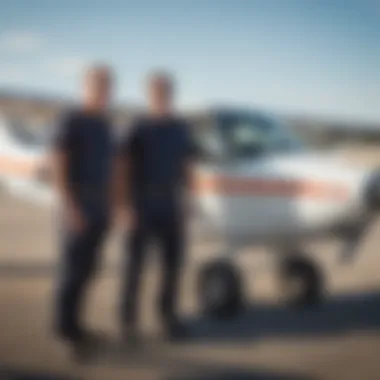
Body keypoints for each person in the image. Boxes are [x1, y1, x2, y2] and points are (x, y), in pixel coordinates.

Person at [114, 70, 195, 342]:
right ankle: (127, 324)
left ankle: (168, 318)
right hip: (142, 203)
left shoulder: (181, 128)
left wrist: (189, 199)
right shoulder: (137, 127)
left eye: (166, 91)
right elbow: (122, 168)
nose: (162, 96)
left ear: (172, 95)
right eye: (157, 92)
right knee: (134, 267)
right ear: (149, 95)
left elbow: (187, 165)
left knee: (172, 266)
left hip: (170, 203)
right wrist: (124, 207)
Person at [51, 64, 114, 358]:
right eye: (97, 86)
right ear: (84, 88)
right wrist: (70, 206)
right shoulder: (71, 120)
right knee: (71, 272)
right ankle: (64, 334)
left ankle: (77, 326)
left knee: (88, 270)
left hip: (100, 206)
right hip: (78, 203)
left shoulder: (104, 125)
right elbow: (59, 164)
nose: (103, 92)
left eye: (107, 86)